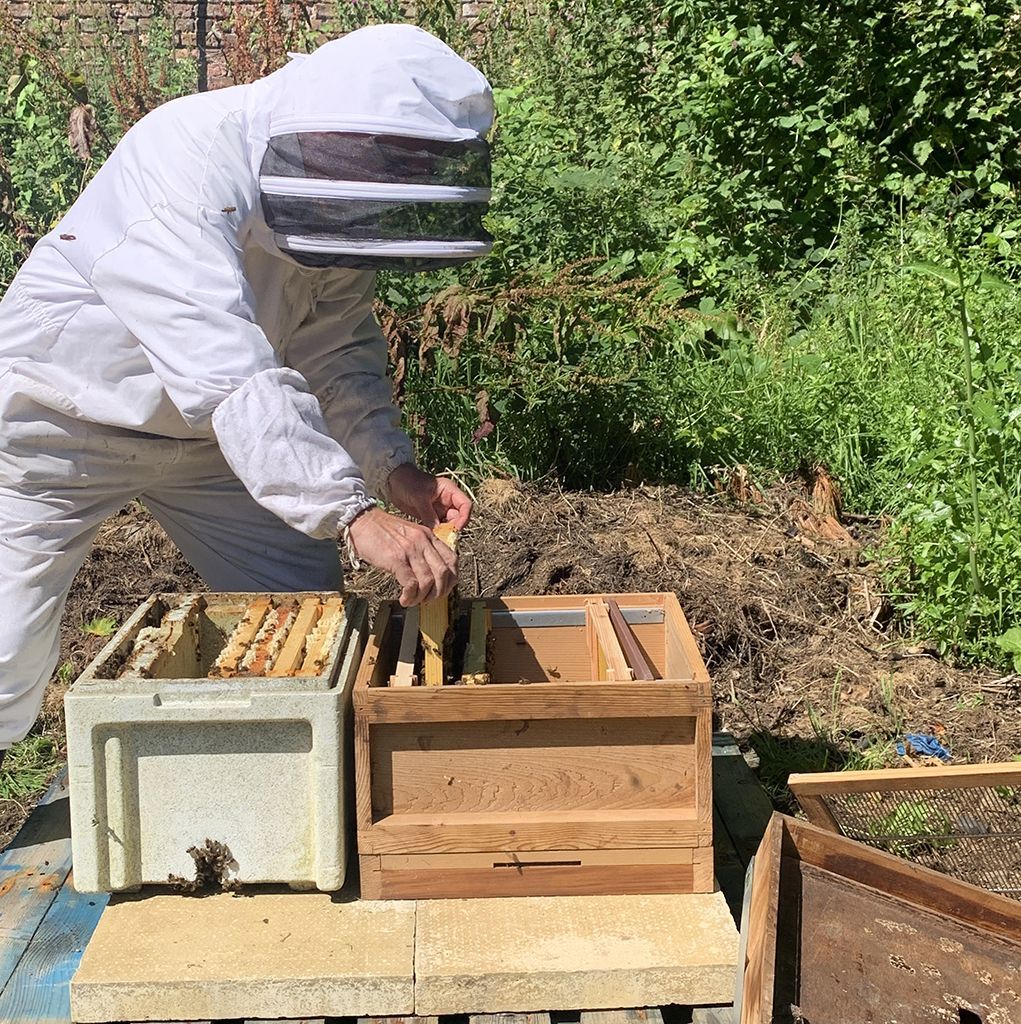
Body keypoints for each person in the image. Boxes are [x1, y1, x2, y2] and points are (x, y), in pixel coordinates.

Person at [0, 24, 495, 757]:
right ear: (319, 133)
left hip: (219, 449)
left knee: (308, 622)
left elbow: (336, 346)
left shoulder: (335, 195)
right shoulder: (180, 159)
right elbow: (225, 366)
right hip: (58, 426)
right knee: (5, 647)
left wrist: (392, 471)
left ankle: (281, 806)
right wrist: (351, 513)